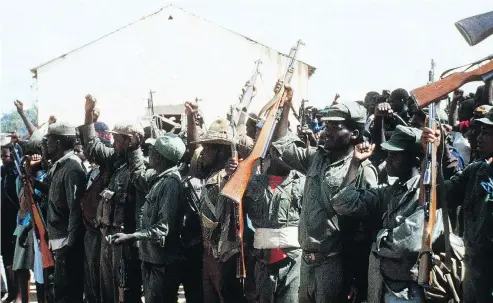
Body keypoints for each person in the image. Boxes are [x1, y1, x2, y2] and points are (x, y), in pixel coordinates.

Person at [271, 83, 378, 303]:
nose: (325, 130)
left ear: (353, 133)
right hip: (307, 262)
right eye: (326, 125)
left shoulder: (363, 169)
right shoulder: (316, 158)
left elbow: (367, 229)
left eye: (334, 127)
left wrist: (357, 278)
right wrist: (285, 104)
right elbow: (283, 144)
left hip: (335, 265)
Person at [332, 126, 435, 302]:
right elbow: (342, 204)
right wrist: (355, 164)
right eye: (388, 154)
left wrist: (376, 240)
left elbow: (406, 244)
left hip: (408, 292)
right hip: (382, 286)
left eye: (395, 155)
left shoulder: (426, 194)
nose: (388, 160)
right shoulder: (390, 192)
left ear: (414, 159)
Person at [421, 107, 493, 302]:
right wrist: (432, 153)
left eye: (487, 133)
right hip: (476, 277)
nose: (478, 137)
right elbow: (436, 196)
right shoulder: (477, 171)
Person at [109, 133, 189, 303]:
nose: (149, 153)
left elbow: (163, 227)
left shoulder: (171, 184)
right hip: (153, 259)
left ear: (159, 158)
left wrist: (132, 236)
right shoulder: (160, 180)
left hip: (162, 263)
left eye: (152, 150)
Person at [186, 100, 253, 303]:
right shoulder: (210, 173)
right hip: (210, 255)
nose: (202, 153)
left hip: (227, 256)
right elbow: (194, 149)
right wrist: (191, 119)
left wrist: (236, 173)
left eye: (207, 149)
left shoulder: (234, 175)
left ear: (218, 151)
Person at [80, 95, 143, 303]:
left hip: (125, 241)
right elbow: (92, 147)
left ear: (131, 142)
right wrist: (88, 115)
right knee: (107, 291)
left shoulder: (140, 167)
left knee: (124, 292)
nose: (114, 143)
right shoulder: (115, 161)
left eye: (119, 140)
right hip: (108, 236)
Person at [239, 135, 305, 303]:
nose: (295, 157)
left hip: (293, 260)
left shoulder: (303, 183)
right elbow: (237, 216)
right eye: (290, 152)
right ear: (275, 152)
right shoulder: (252, 183)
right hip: (262, 261)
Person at [41, 122, 87, 303]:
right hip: (58, 240)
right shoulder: (60, 166)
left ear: (59, 142)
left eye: (49, 140)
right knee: (59, 291)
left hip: (66, 243)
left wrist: (70, 244)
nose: (47, 145)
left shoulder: (72, 168)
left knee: (67, 294)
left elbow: (75, 208)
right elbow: (56, 196)